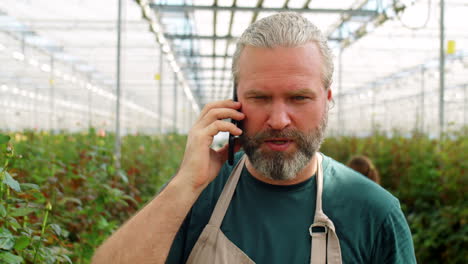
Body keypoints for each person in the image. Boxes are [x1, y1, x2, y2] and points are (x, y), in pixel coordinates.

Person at [92, 12, 416, 264]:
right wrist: (185, 184)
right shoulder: (196, 196)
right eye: (259, 97)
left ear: (327, 98)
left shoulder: (373, 212)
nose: (277, 120)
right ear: (234, 101)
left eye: (299, 98)